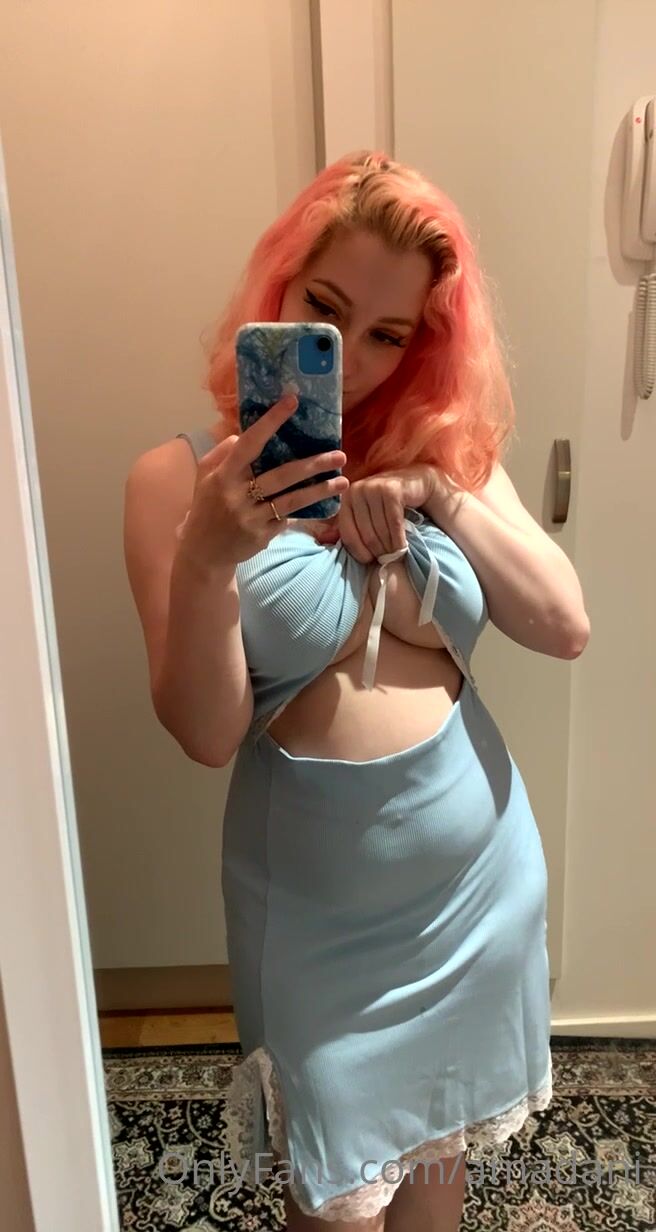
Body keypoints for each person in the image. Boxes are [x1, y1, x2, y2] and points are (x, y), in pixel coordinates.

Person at [124, 150, 589, 1231]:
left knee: (433, 1182)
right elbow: (205, 731)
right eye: (327, 314)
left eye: (391, 333)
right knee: (332, 1202)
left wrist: (436, 493)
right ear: (278, 288)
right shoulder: (175, 481)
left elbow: (563, 623)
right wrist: (207, 558)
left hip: (475, 888)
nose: (361, 360)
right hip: (317, 922)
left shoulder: (450, 453)